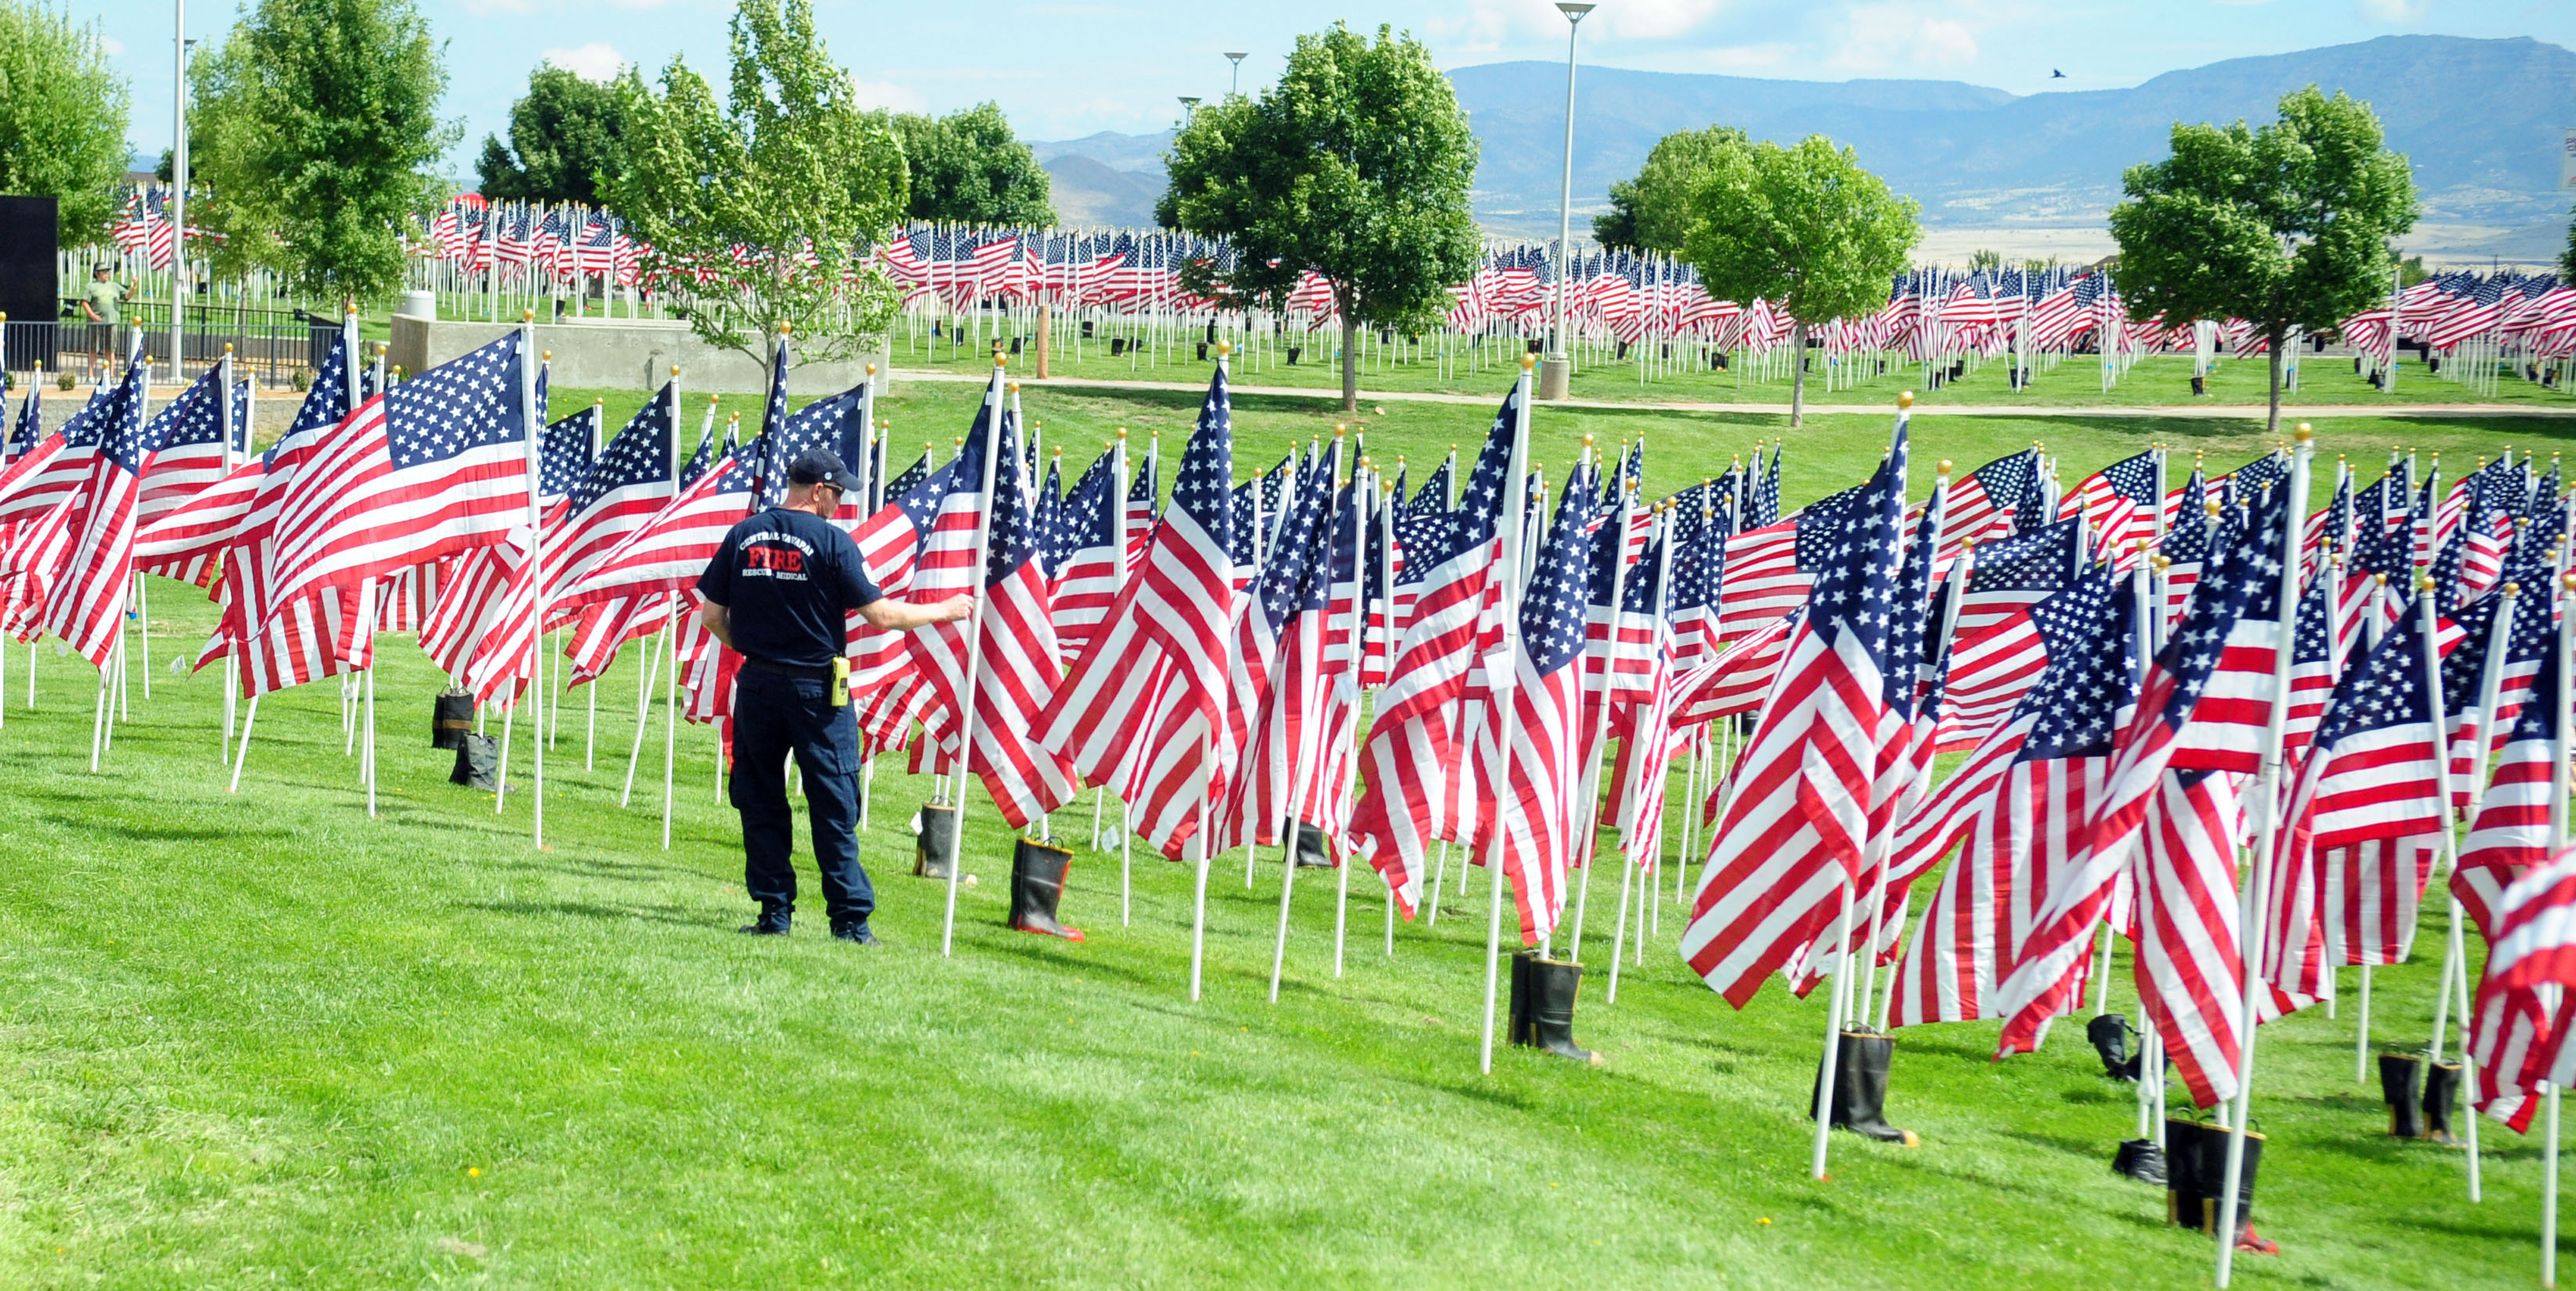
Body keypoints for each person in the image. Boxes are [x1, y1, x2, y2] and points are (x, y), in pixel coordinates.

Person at [696, 448, 972, 944]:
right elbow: (882, 617)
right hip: (816, 692)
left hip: (758, 686)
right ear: (818, 491)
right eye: (838, 494)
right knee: (833, 804)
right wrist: (945, 610)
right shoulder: (832, 542)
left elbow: (712, 618)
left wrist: (759, 649)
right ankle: (849, 922)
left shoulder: (741, 536)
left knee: (760, 800)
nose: (841, 504)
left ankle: (774, 914)